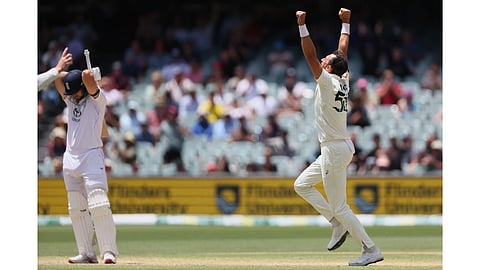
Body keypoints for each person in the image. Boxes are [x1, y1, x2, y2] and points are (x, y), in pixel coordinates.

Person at [293, 8, 383, 266]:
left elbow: (309, 54)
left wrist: (302, 26)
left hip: (333, 149)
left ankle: (370, 249)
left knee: (341, 206)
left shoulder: (327, 81)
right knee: (301, 185)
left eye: (326, 59)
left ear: (328, 68)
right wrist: (346, 23)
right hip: (336, 147)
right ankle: (335, 223)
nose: (321, 59)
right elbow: (342, 51)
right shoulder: (342, 78)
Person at [53, 68, 118, 264]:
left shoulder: (98, 101)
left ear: (83, 87)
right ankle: (86, 253)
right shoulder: (71, 100)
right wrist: (59, 69)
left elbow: (89, 78)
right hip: (70, 158)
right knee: (76, 208)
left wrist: (90, 75)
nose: (73, 96)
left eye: (76, 91)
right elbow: (59, 79)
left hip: (91, 156)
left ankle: (108, 252)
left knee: (99, 204)